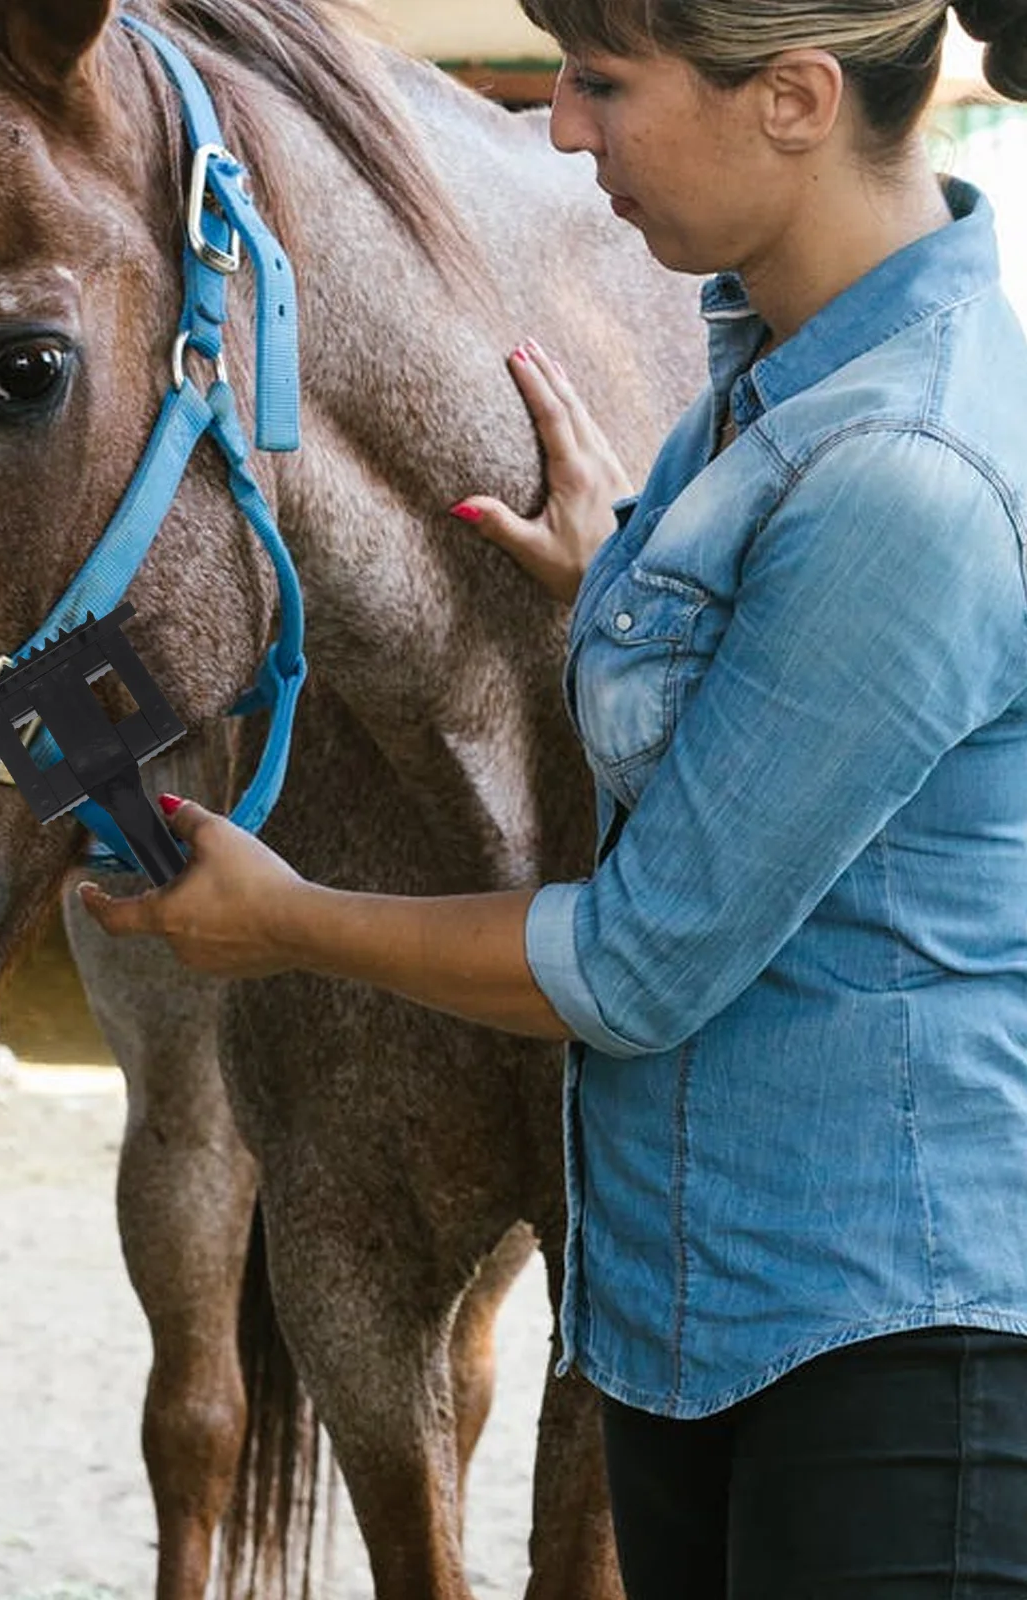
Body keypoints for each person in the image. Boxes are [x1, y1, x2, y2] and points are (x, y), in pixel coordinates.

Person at [79, 0, 1027, 1590]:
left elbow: (643, 965)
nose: (565, 130)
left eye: (603, 84)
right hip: (716, 1320)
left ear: (793, 99)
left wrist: (292, 921)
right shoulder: (768, 393)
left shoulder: (902, 474)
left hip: (884, 1356)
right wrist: (626, 584)